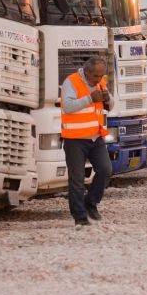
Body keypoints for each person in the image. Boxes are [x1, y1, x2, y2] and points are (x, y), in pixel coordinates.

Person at [60, 56, 113, 226]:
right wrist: (90, 98)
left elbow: (111, 106)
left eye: (102, 76)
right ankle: (80, 218)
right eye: (97, 76)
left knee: (105, 170)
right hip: (74, 139)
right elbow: (67, 106)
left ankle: (90, 203)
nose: (100, 79)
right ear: (87, 72)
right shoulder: (72, 82)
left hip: (95, 137)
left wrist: (107, 99)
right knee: (77, 179)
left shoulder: (100, 82)